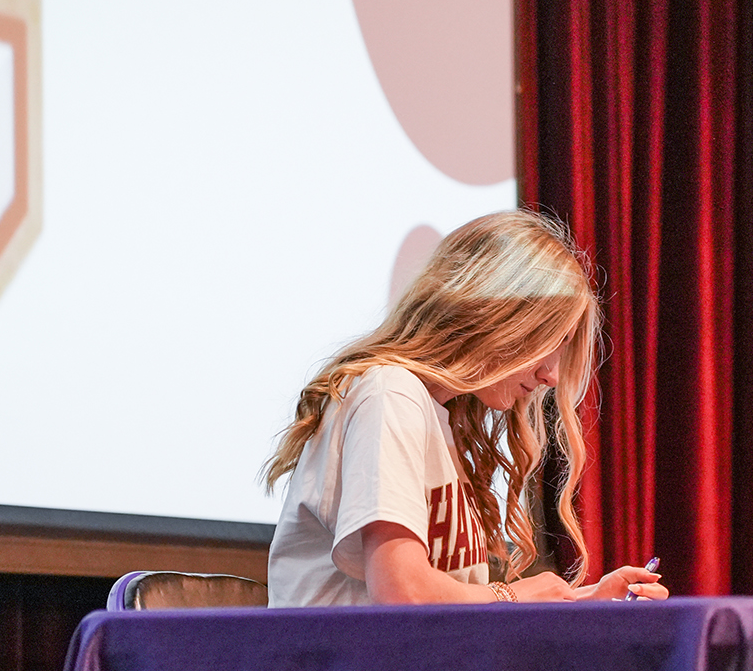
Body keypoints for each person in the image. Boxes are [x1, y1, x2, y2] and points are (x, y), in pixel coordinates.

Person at [264, 211, 667, 606]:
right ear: (498, 318)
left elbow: (450, 603)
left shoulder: (433, 414)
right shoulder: (390, 392)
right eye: (552, 340)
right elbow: (401, 593)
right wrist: (515, 596)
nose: (552, 376)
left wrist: (578, 602)